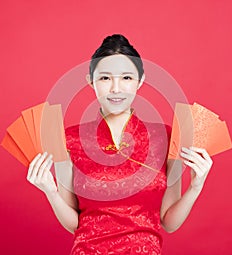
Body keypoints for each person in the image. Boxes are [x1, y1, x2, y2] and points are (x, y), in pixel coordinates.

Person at [26, 34, 213, 254]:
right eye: (105, 78)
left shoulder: (166, 137)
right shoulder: (69, 139)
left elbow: (168, 222)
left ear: (140, 81)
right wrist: (50, 191)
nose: (116, 88)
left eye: (126, 78)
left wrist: (195, 186)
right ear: (91, 81)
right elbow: (74, 224)